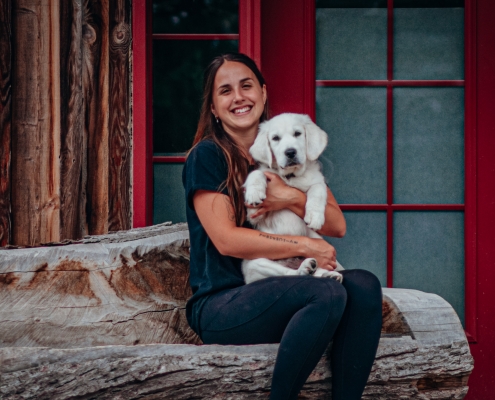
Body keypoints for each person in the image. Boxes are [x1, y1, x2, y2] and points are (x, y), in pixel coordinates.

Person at [182, 52, 382, 400]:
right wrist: (306, 247)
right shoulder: (208, 156)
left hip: (282, 287)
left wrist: (289, 197)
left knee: (364, 285)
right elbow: (227, 241)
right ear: (214, 107)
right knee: (327, 291)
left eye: (246, 86)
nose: (239, 97)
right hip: (224, 302)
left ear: (262, 91)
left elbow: (336, 225)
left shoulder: (288, 148)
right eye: (225, 91)